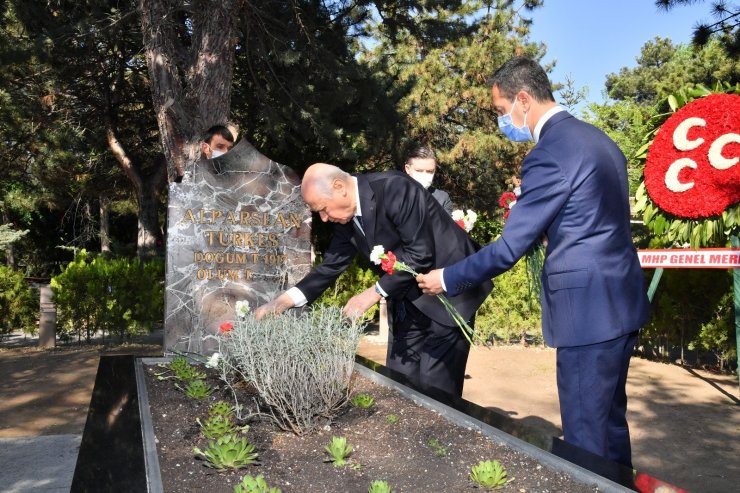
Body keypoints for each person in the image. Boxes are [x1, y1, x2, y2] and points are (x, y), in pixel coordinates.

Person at [416, 56, 650, 467]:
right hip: (623, 300)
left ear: (523, 99)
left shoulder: (550, 152)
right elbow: (594, 219)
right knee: (612, 424)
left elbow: (509, 248)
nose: (501, 123)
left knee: (584, 440)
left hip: (586, 314)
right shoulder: (600, 141)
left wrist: (448, 277)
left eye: (501, 112)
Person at [255, 163, 492, 397]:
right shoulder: (346, 219)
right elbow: (330, 266)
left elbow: (420, 253)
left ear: (339, 187)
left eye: (323, 209)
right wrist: (283, 302)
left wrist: (371, 294)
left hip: (449, 297)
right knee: (400, 386)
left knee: (436, 392)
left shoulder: (395, 188)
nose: (324, 218)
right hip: (407, 301)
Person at [404, 145, 453, 215]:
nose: (424, 175)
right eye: (419, 170)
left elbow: (445, 225)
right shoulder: (393, 194)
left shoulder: (442, 199)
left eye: (430, 171)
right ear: (407, 169)